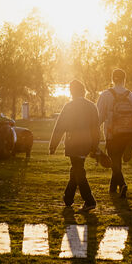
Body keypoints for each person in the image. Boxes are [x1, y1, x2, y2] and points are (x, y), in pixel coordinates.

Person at [49, 80, 100, 212]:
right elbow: (96, 128)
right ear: (83, 91)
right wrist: (95, 145)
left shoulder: (69, 106)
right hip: (87, 142)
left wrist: (53, 145)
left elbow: (60, 126)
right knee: (77, 169)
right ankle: (68, 198)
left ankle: (89, 201)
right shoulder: (92, 106)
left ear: (72, 92)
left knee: (78, 171)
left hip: (73, 142)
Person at [97, 68, 132, 198]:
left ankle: (122, 184)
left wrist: (94, 131)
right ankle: (112, 188)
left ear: (112, 79)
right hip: (128, 135)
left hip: (112, 134)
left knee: (114, 160)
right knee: (117, 161)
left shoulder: (105, 95)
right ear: (124, 79)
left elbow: (99, 117)